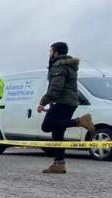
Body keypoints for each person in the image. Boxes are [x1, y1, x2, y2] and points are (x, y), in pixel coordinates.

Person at [39, 42, 95, 174]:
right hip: (70, 102)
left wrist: (43, 101)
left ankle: (80, 121)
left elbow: (56, 87)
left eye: (51, 51)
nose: (50, 53)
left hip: (62, 102)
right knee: (58, 132)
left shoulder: (59, 65)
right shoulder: (69, 65)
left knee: (46, 126)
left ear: (56, 52)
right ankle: (59, 163)